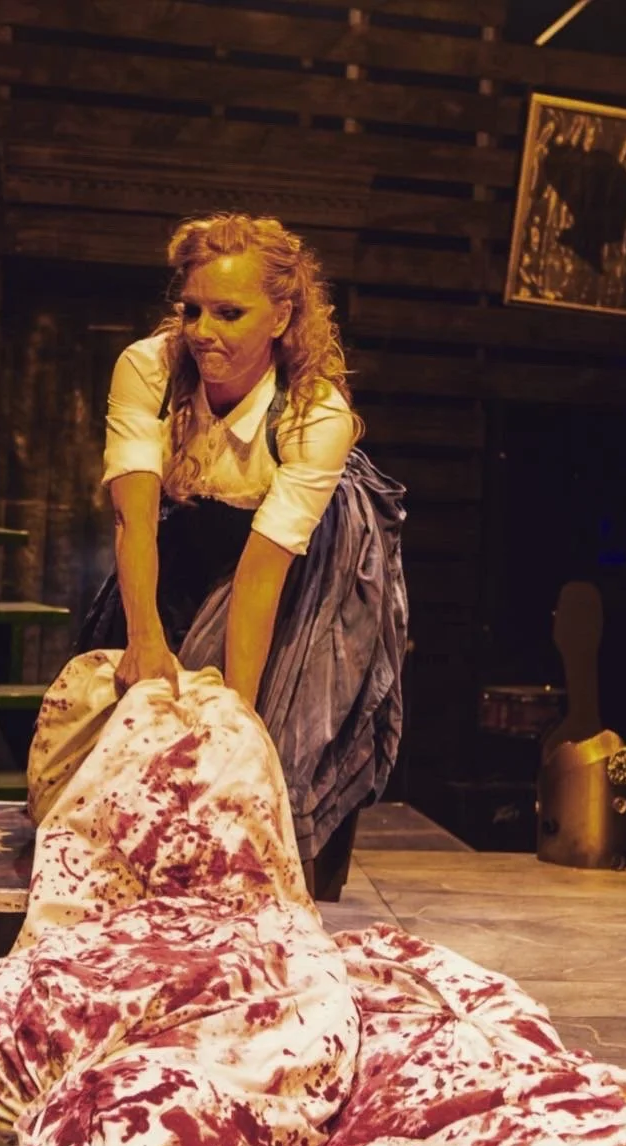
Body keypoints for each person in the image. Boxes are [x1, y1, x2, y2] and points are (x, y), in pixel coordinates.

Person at [74, 213, 408, 899]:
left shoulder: (314, 414)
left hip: (309, 556)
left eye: (229, 313)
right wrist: (144, 640)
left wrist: (237, 721)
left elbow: (261, 573)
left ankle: (265, 878)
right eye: (192, 309)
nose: (203, 330)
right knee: (137, 692)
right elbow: (134, 518)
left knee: (271, 721)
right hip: (190, 525)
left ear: (281, 317)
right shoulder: (148, 367)